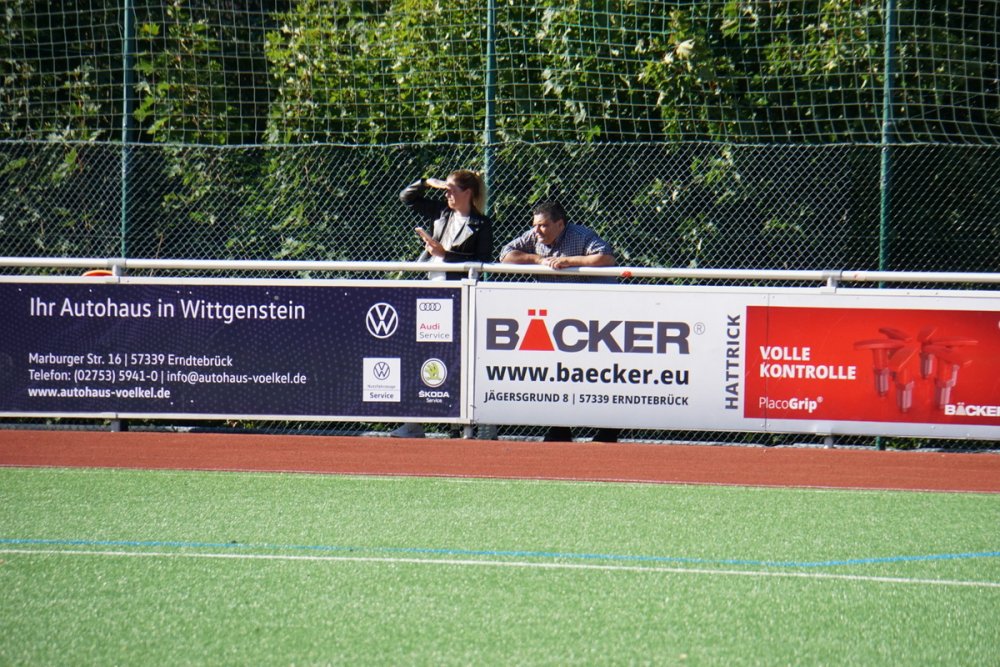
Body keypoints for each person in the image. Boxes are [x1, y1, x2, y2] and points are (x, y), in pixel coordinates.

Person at [499, 200, 620, 442]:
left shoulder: (581, 235)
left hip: (591, 316)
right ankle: (560, 428)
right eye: (535, 225)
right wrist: (537, 260)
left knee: (596, 373)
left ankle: (608, 430)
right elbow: (505, 256)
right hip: (554, 319)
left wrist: (569, 261)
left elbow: (606, 258)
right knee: (557, 372)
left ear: (560, 224)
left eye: (543, 225)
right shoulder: (534, 236)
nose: (537, 230)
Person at [391, 170, 493, 438]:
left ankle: (464, 423)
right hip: (430, 292)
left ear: (467, 192)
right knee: (420, 354)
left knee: (457, 357)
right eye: (445, 189)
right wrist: (427, 182)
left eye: (452, 190)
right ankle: (414, 422)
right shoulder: (441, 212)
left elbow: (482, 260)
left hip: (458, 295)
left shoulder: (482, 224)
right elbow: (407, 197)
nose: (447, 194)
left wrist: (445, 255)